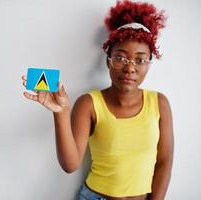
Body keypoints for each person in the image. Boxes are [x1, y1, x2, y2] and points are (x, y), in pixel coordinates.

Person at [21, 0, 174, 199]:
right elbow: (70, 164)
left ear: (149, 64)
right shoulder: (89, 103)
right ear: (107, 61)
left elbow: (165, 162)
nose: (130, 68)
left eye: (140, 59)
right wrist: (61, 112)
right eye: (120, 57)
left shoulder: (160, 103)